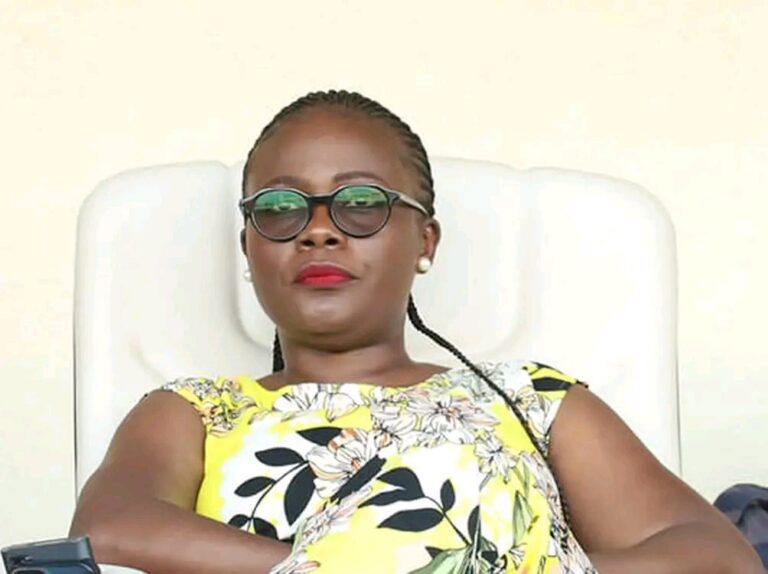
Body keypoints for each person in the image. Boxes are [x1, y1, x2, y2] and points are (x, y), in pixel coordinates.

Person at [69, 90, 762, 573]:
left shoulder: (533, 401)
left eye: (361, 202)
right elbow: (108, 530)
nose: (318, 230)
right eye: (279, 208)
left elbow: (716, 559)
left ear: (425, 241)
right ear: (248, 249)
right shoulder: (192, 411)